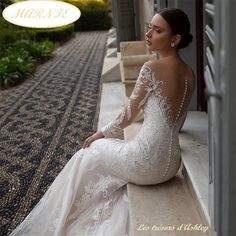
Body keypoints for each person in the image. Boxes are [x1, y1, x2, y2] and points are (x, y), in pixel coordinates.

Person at [10, 7, 195, 236]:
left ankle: (65, 219)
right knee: (99, 154)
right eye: (149, 28)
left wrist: (101, 133)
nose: (148, 35)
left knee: (88, 152)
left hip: (145, 162)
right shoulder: (189, 73)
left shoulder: (151, 68)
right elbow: (181, 117)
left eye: (157, 30)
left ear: (175, 39)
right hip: (171, 165)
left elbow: (128, 116)